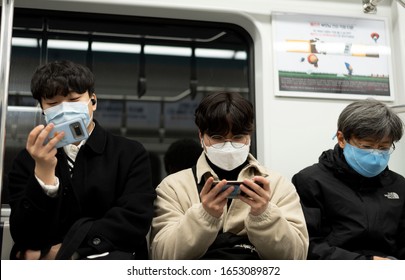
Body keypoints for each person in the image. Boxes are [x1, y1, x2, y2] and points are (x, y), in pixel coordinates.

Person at [7, 60, 156, 260]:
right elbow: (24, 233)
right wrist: (43, 174)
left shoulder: (129, 153)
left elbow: (133, 221)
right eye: (53, 103)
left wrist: (67, 250)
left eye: (73, 100)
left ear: (93, 101)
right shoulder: (29, 159)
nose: (65, 109)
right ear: (43, 109)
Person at [151, 91, 309, 259]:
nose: (228, 145)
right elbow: (161, 256)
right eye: (217, 137)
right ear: (201, 137)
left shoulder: (277, 185)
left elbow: (297, 256)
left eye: (238, 137)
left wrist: (264, 214)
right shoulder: (173, 187)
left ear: (249, 137)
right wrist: (204, 216)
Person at [292, 98, 405, 260]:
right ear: (341, 139)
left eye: (384, 148)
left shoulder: (398, 185)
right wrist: (363, 263)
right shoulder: (310, 181)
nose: (376, 154)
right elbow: (307, 245)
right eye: (366, 146)